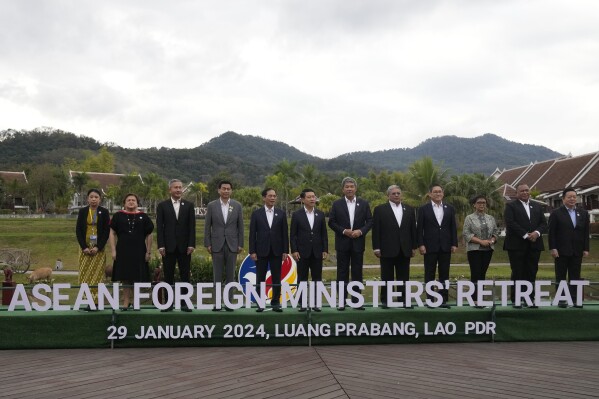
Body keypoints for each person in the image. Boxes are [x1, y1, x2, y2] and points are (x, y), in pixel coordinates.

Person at [328, 177, 373, 310]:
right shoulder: (337, 204)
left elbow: (370, 221)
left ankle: (356, 301)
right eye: (347, 187)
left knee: (357, 272)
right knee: (341, 272)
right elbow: (331, 222)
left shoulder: (364, 203)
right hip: (342, 243)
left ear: (356, 188)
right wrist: (343, 231)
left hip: (358, 243)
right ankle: (341, 301)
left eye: (351, 186)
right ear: (343, 189)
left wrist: (360, 231)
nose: (349, 189)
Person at [372, 185, 417, 309]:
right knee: (387, 276)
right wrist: (376, 247)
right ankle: (386, 301)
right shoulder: (380, 209)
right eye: (394, 193)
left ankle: (404, 300)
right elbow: (376, 230)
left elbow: (413, 229)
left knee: (404, 276)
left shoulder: (409, 209)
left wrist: (414, 246)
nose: (396, 195)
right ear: (388, 196)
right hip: (386, 249)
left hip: (405, 248)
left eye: (398, 193)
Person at [503, 183, 547, 308]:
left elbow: (543, 223)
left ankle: (530, 299)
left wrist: (536, 233)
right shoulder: (511, 206)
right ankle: (516, 300)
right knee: (517, 272)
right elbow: (510, 223)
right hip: (517, 245)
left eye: (527, 190)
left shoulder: (537, 206)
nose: (525, 192)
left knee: (531, 272)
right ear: (517, 193)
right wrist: (526, 235)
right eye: (522, 191)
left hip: (534, 244)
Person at [156, 179, 196, 312]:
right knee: (168, 275)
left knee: (185, 275)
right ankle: (168, 303)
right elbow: (160, 227)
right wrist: (161, 245)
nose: (178, 190)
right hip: (168, 247)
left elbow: (192, 227)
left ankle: (185, 303)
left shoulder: (189, 205)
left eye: (180, 187)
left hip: (185, 247)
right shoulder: (162, 206)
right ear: (170, 190)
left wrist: (191, 244)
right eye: (175, 188)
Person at [109, 193, 154, 310]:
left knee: (137, 276)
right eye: (128, 200)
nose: (131, 202)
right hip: (122, 251)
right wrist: (113, 250)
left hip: (139, 251)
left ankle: (136, 301)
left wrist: (148, 252)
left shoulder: (143, 217)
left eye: (133, 200)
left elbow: (149, 234)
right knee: (124, 276)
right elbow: (112, 233)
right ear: (124, 203)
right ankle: (126, 301)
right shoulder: (118, 216)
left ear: (137, 202)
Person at [204, 180, 244, 311]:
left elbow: (241, 227)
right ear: (219, 190)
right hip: (216, 244)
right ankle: (216, 303)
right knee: (217, 275)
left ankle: (229, 303)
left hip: (232, 245)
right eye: (224, 188)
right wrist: (208, 243)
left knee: (230, 275)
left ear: (231, 191)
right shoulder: (211, 205)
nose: (226, 191)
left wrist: (240, 244)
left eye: (228, 189)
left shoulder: (237, 205)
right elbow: (207, 226)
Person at [417, 184, 458, 308]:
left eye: (440, 191)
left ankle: (443, 300)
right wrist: (421, 244)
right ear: (430, 194)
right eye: (435, 192)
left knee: (444, 273)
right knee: (429, 273)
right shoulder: (424, 209)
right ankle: (430, 299)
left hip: (446, 246)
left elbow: (453, 227)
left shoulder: (449, 208)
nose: (438, 194)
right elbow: (419, 229)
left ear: (443, 194)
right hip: (429, 246)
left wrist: (454, 243)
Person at [548, 187, 590, 308]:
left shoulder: (583, 213)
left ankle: (575, 299)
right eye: (569, 197)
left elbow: (585, 233)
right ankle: (561, 299)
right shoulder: (556, 213)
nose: (572, 199)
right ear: (563, 199)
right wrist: (553, 248)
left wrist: (586, 248)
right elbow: (552, 233)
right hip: (561, 251)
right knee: (560, 275)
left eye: (574, 197)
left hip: (577, 250)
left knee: (575, 275)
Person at [249, 188, 289, 312]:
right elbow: (252, 234)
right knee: (260, 277)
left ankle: (275, 302)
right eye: (270, 196)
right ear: (264, 198)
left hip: (277, 251)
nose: (273, 198)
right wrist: (252, 251)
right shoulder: (257, 214)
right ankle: (260, 302)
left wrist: (285, 251)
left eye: (274, 196)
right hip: (261, 250)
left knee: (277, 277)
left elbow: (284, 233)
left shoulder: (281, 213)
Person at [290, 188, 328, 312]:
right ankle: (302, 303)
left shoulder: (320, 214)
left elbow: (324, 234)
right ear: (302, 199)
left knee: (317, 278)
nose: (312, 199)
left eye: (314, 197)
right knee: (302, 278)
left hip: (317, 251)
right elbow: (293, 234)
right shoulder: (296, 215)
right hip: (302, 252)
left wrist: (325, 249)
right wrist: (294, 250)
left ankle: (316, 303)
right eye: (309, 197)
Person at [75, 188, 110, 310]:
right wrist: (84, 247)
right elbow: (78, 230)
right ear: (87, 199)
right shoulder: (83, 211)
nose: (94, 199)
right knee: (85, 274)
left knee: (98, 275)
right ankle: (88, 302)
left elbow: (106, 231)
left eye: (96, 197)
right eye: (91, 197)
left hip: (98, 249)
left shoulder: (104, 212)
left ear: (100, 199)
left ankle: (97, 302)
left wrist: (98, 247)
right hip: (84, 247)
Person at [462, 194, 500, 306]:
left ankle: (481, 298)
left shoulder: (490, 218)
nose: (482, 204)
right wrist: (480, 241)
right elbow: (466, 234)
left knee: (483, 274)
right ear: (474, 205)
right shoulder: (469, 218)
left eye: (483, 202)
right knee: (476, 273)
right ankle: (474, 299)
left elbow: (496, 232)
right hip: (474, 250)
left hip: (488, 249)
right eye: (479, 203)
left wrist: (492, 240)